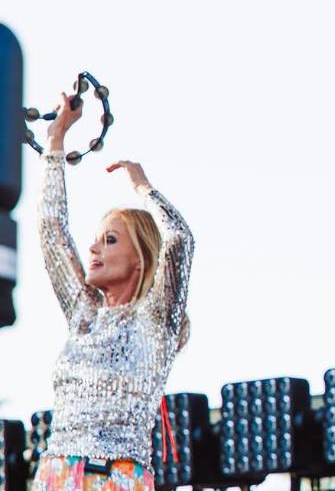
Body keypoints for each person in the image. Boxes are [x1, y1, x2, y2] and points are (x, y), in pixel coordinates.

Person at [33, 93, 194, 491]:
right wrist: (56, 141)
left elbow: (179, 240)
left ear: (139, 258)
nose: (92, 249)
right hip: (56, 476)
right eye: (96, 240)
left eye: (109, 240)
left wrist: (143, 188)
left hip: (118, 479)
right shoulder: (84, 313)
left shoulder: (156, 320)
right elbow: (52, 232)